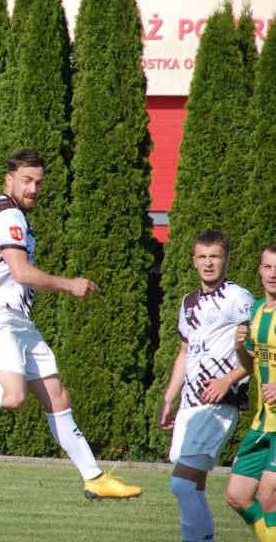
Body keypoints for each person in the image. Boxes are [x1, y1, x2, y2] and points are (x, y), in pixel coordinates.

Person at [0, 149, 142, 500]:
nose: (33, 188)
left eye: (38, 182)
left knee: (57, 395)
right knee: (13, 396)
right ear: (9, 180)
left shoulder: (10, 213)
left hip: (16, 319)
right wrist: (69, 284)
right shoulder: (10, 217)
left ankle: (94, 477)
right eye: (26, 181)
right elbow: (22, 273)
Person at [159, 230, 253, 542]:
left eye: (215, 256)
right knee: (192, 484)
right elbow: (185, 353)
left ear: (226, 259)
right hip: (190, 404)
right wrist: (169, 397)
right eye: (202, 257)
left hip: (219, 403)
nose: (208, 263)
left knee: (182, 484)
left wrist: (227, 380)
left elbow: (258, 351)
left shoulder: (239, 299)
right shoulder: (188, 302)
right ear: (193, 261)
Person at [225, 244, 276, 541]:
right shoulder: (256, 311)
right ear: (259, 271)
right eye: (268, 267)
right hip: (263, 422)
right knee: (237, 495)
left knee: (268, 495)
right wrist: (238, 347)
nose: (274, 274)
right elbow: (251, 364)